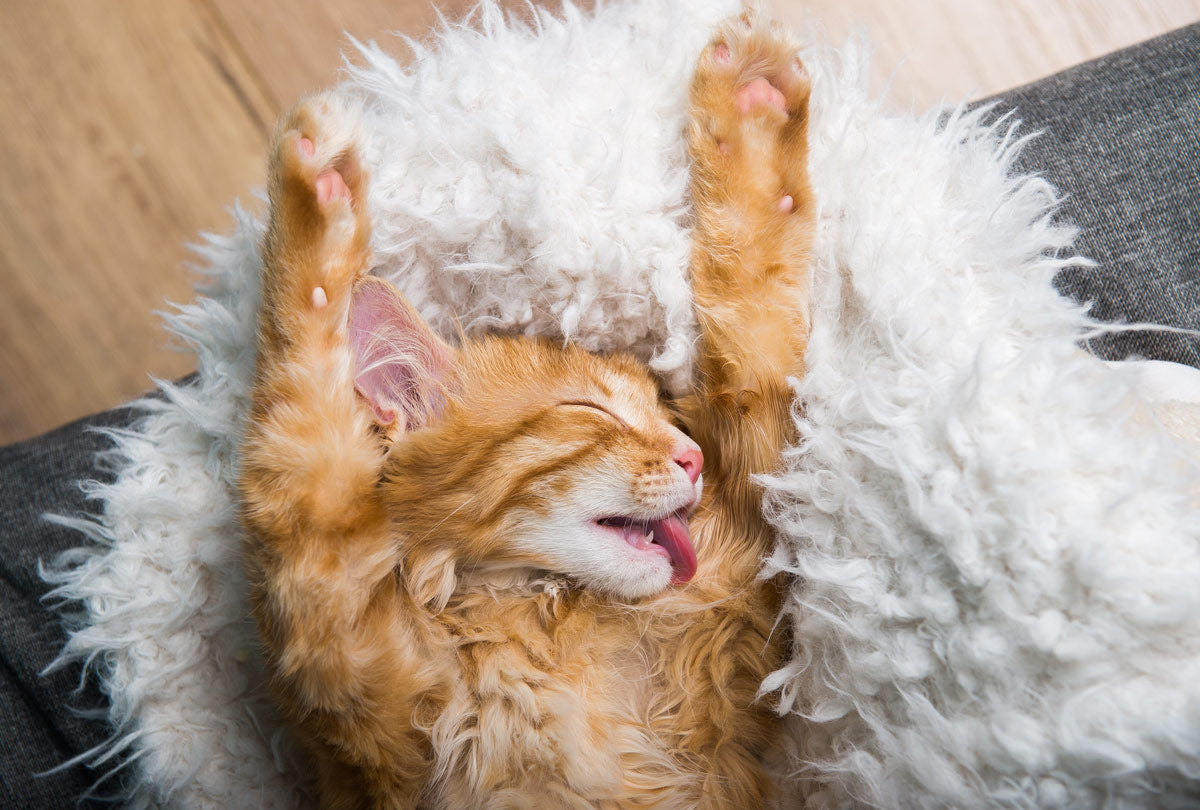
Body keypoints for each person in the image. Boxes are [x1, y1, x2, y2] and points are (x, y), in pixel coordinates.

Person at [2, 22, 1197, 807]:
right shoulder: (421, 666)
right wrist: (311, 307)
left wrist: (742, 233)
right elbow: (314, 558)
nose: (666, 447)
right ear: (405, 427)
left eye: (645, 413)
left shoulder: (677, 596)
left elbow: (758, 448)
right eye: (595, 414)